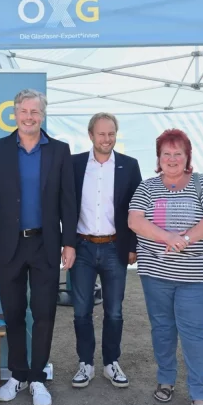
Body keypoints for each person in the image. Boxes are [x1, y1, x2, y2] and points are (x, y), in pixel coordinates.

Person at [0, 89, 77, 405]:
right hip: (9, 244)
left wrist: (70, 242)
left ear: (42, 115)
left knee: (45, 312)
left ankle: (38, 378)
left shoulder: (59, 151)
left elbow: (68, 202)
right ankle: (18, 373)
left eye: (35, 112)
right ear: (15, 114)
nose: (29, 117)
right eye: (24, 111)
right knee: (14, 312)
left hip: (46, 243)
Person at [128, 129, 203, 405]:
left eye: (177, 154)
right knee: (162, 329)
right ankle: (166, 379)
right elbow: (135, 220)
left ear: (187, 157)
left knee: (194, 334)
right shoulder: (147, 187)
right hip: (155, 273)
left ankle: (199, 393)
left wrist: (185, 240)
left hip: (193, 276)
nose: (171, 159)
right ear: (158, 158)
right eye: (166, 154)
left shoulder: (201, 183)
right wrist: (169, 238)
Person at [69, 112, 142, 389]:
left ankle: (111, 362)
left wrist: (133, 246)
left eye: (111, 133)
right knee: (81, 311)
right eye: (101, 134)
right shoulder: (74, 164)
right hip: (82, 248)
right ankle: (85, 364)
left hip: (115, 248)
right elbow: (64, 205)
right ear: (90, 135)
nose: (107, 139)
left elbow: (138, 209)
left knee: (114, 311)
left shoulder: (129, 165)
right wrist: (66, 245)